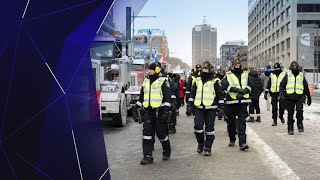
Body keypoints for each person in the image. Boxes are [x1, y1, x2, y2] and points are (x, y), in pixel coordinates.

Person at [135, 62, 172, 165]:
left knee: (161, 134)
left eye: (151, 69)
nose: (148, 71)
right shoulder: (146, 81)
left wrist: (166, 111)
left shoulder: (163, 81)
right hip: (148, 112)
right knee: (146, 134)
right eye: (148, 69)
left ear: (157, 69)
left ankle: (167, 149)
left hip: (159, 112)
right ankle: (147, 156)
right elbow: (142, 97)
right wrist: (136, 107)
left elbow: (167, 97)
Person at [188, 61, 224, 156]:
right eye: (203, 68)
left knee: (209, 129)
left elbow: (220, 95)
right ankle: (201, 143)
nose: (204, 70)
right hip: (199, 107)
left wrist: (222, 107)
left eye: (206, 68)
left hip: (211, 108)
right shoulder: (197, 80)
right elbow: (193, 93)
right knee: (198, 127)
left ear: (211, 70)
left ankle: (208, 147)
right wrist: (189, 104)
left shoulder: (215, 81)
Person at [221, 59, 253, 150]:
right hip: (231, 102)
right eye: (236, 64)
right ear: (233, 65)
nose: (237, 65)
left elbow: (250, 86)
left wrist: (243, 91)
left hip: (242, 102)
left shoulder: (245, 74)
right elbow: (224, 85)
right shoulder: (228, 75)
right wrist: (236, 90)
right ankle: (232, 139)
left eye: (238, 64)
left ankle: (242, 143)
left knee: (242, 123)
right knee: (231, 123)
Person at [279, 61, 311, 135]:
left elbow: (305, 87)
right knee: (290, 113)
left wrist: (309, 97)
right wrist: (281, 94)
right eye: (293, 66)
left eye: (296, 66)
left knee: (299, 111)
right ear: (291, 67)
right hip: (289, 97)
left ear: (298, 67)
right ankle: (290, 128)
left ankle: (300, 124)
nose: (294, 68)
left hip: (299, 97)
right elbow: (282, 85)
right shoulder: (288, 75)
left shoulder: (301, 75)